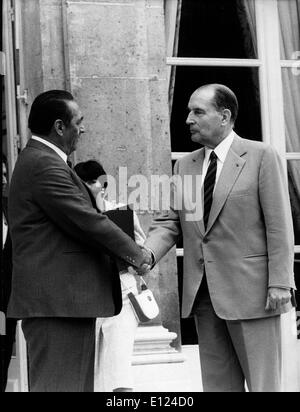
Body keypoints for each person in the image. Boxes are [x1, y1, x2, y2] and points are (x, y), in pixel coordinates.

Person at [144, 84, 296, 392]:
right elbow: (171, 221)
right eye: (189, 111)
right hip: (204, 297)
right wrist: (144, 254)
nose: (188, 119)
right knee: (217, 387)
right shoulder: (184, 165)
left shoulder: (261, 155)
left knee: (263, 386)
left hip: (254, 296)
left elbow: (279, 226)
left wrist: (280, 281)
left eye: (198, 112)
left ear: (224, 116)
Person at [7, 90, 151, 392]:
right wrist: (139, 256)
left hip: (65, 305)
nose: (83, 129)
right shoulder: (44, 164)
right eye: (79, 122)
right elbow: (89, 223)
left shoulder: (44, 161)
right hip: (57, 306)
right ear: (60, 127)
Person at [74, 160, 146, 392]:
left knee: (119, 371)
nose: (90, 187)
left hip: (122, 296)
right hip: (86, 300)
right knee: (92, 374)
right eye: (84, 183)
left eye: (94, 182)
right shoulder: (71, 217)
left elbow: (142, 252)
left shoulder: (122, 211)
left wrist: (132, 258)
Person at [1, 157, 17, 392]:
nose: (4, 179)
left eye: (5, 173)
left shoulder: (9, 206)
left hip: (6, 302)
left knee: (3, 352)